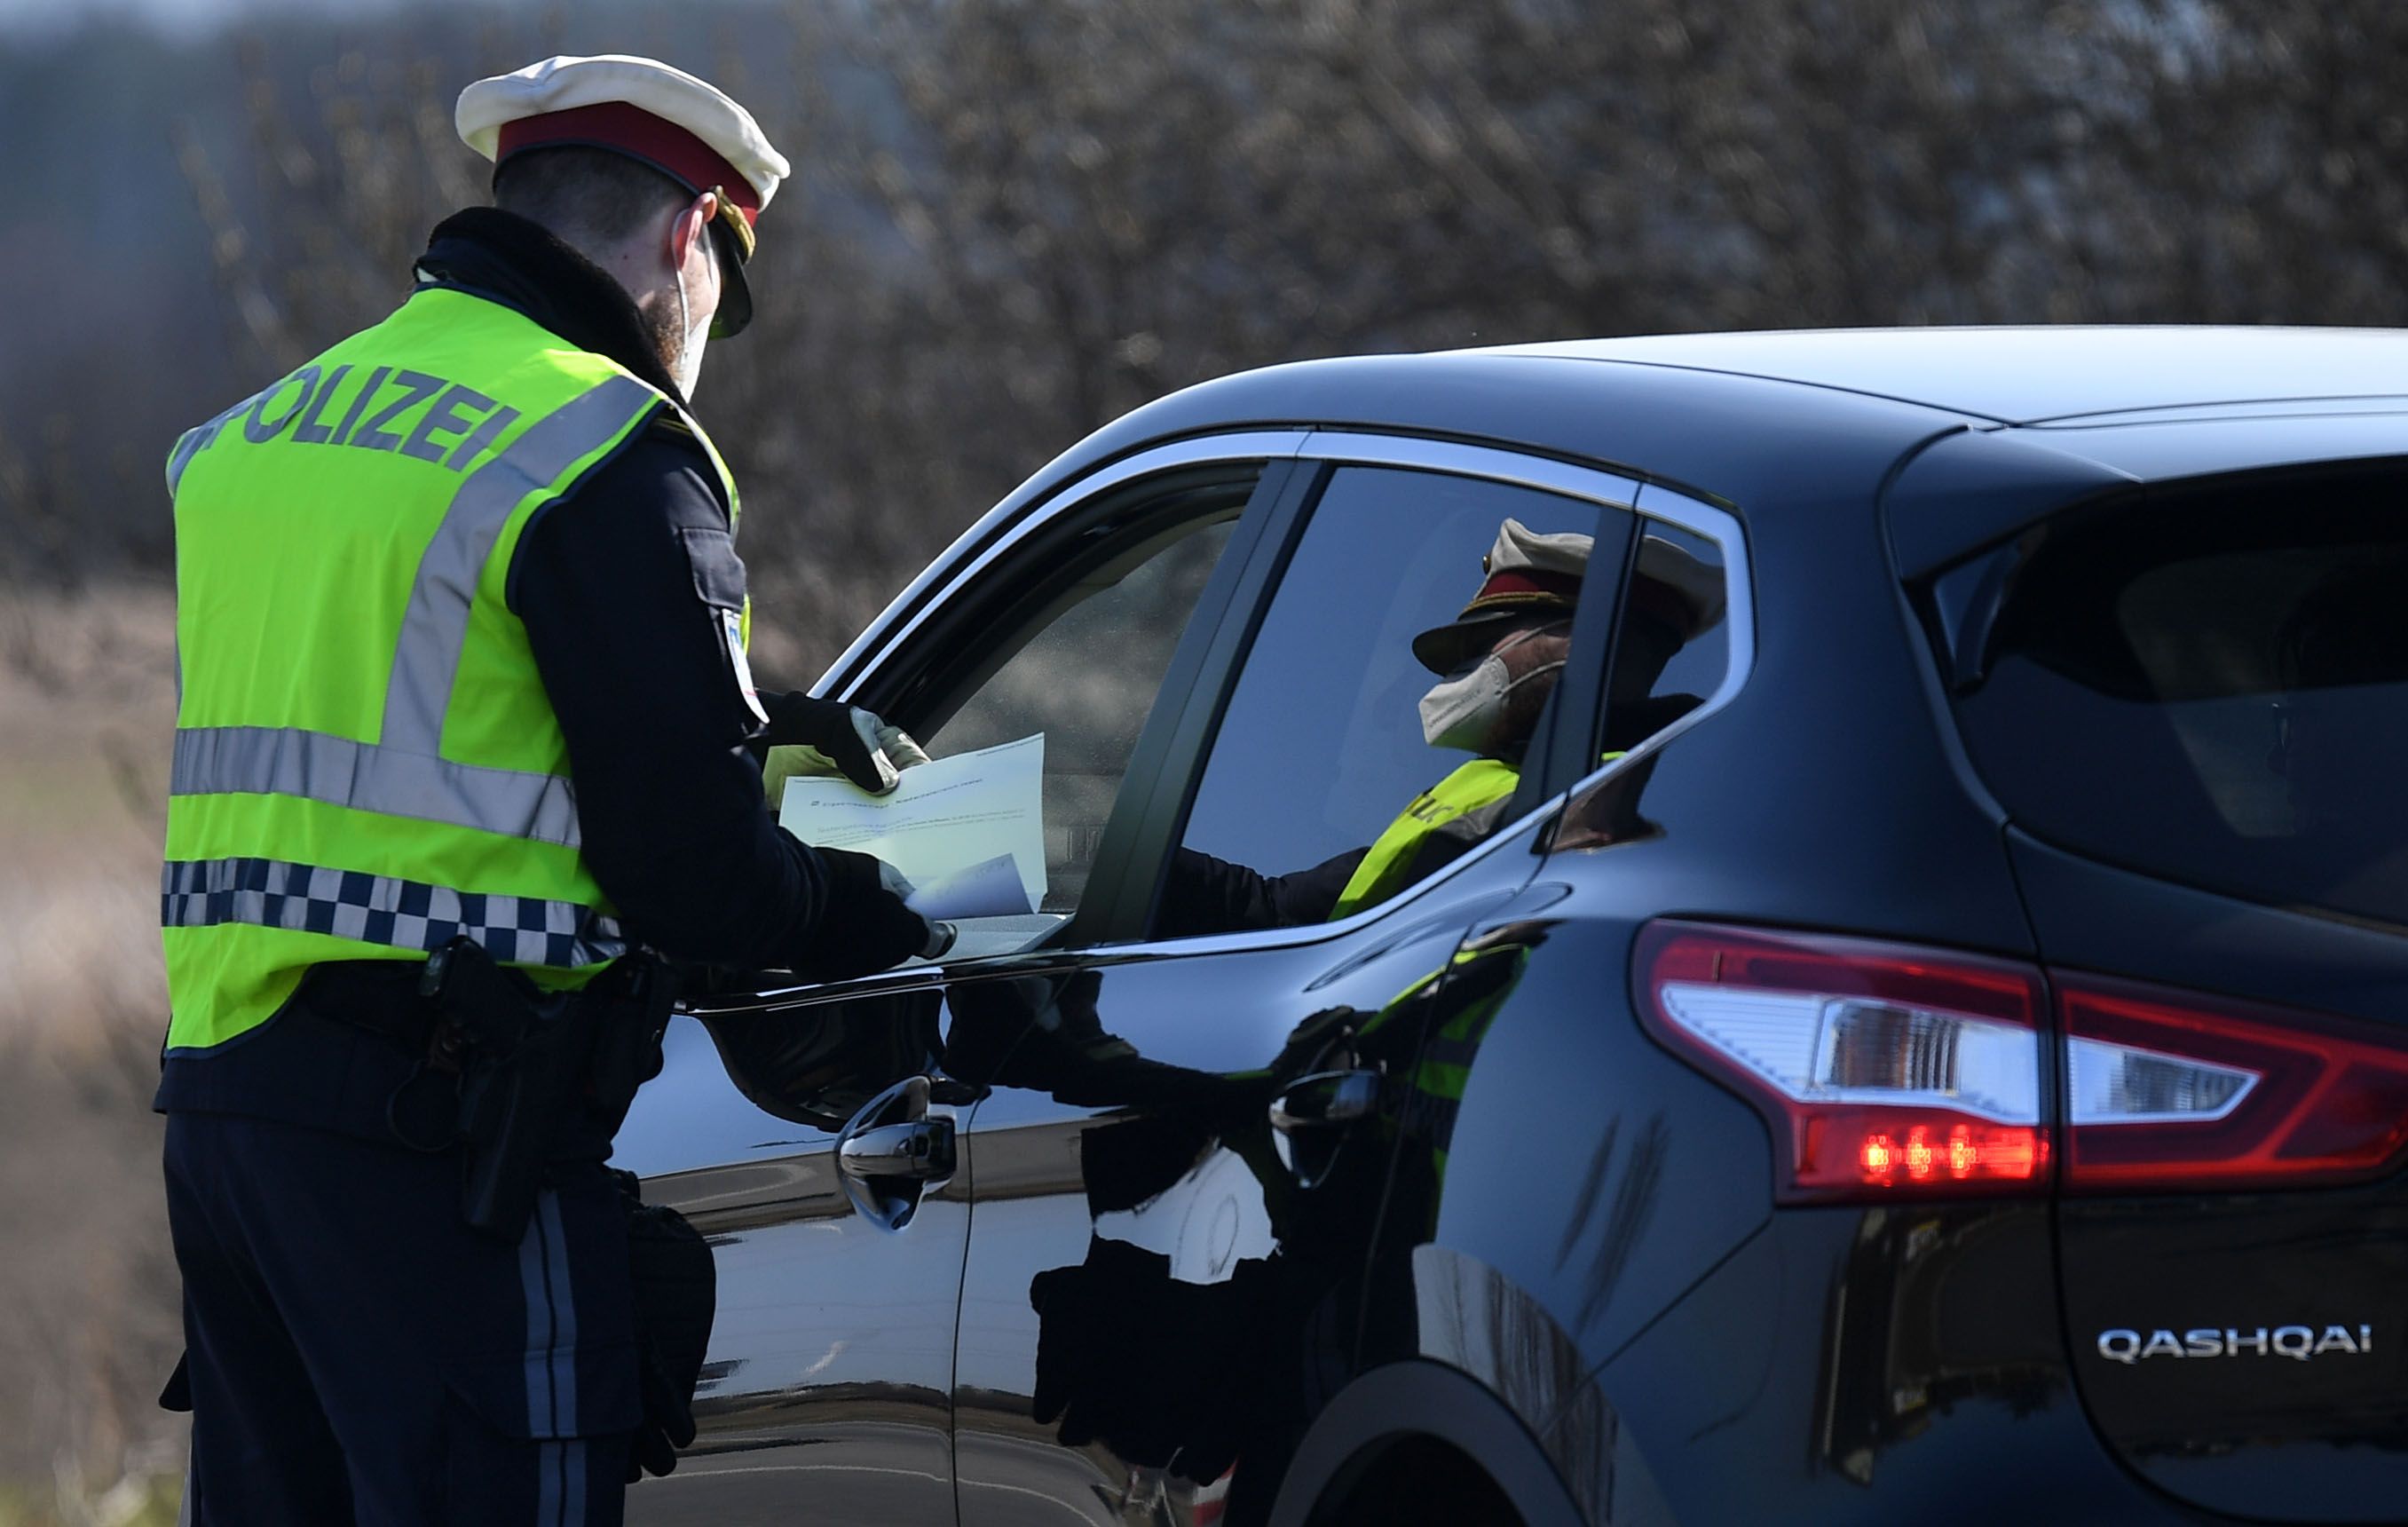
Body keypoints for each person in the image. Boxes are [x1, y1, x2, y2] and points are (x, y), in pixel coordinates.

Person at [156, 53, 930, 1524]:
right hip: (441, 1155)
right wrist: (855, 906)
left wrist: (738, 722)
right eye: (723, 296)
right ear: (686, 239)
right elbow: (693, 881)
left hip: (229, 1128)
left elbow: (421, 725)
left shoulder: (258, 437)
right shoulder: (601, 445)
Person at [1156, 518, 1723, 936]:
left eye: (1482, 647)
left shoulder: (1613, 814)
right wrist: (1095, 850)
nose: (1461, 675)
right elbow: (1281, 911)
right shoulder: (1496, 785)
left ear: (1580, 648)